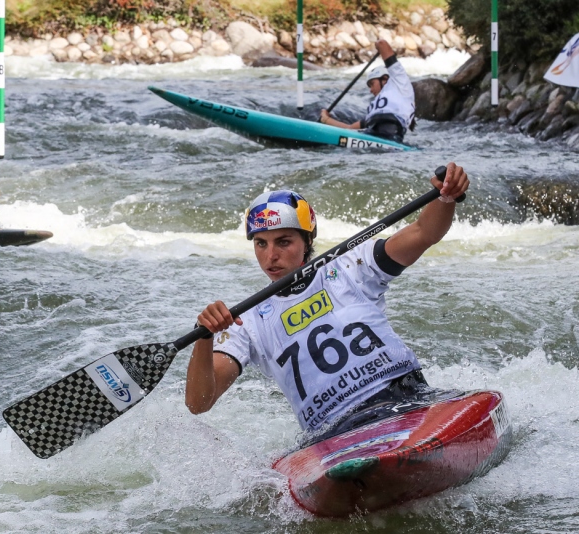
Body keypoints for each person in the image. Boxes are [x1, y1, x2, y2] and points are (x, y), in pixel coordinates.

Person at [186, 163, 469, 444]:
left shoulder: (353, 264)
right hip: (335, 432)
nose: (270, 256)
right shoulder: (245, 322)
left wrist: (445, 197)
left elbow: (424, 232)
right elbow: (199, 402)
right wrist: (204, 336)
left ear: (307, 240)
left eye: (283, 242)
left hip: (406, 396)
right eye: (261, 243)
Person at [320, 39, 416, 143]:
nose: (370, 90)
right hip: (372, 133)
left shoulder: (400, 83)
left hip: (391, 134)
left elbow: (382, 43)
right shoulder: (377, 106)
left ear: (384, 79)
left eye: (372, 84)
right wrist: (326, 120)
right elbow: (350, 128)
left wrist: (377, 45)